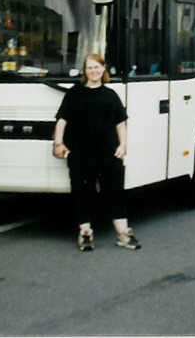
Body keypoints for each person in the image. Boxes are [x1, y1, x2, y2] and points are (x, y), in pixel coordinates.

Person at [53, 54, 141, 251]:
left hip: (109, 153)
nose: (93, 71)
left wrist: (123, 145)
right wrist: (58, 143)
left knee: (115, 192)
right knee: (82, 192)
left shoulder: (111, 95)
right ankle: (85, 234)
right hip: (80, 153)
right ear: (85, 71)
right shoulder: (74, 93)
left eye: (97, 67)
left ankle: (123, 234)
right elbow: (61, 120)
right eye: (89, 67)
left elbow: (121, 123)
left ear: (103, 69)